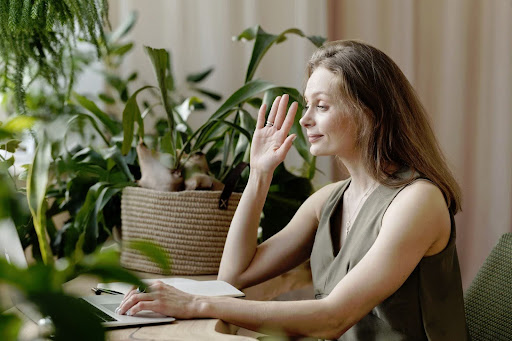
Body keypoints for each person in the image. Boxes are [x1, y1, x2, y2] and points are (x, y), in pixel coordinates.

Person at [116, 40, 469, 340]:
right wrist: (259, 175)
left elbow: (335, 316)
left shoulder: (417, 201)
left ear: (369, 112)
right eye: (307, 103)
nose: (304, 119)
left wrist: (195, 304)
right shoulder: (328, 200)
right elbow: (233, 277)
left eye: (322, 105)